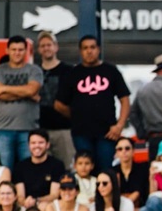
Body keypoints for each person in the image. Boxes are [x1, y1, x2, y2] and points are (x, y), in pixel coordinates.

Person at [54, 35, 131, 171]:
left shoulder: (111, 71)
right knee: (85, 171)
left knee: (106, 170)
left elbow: (125, 99)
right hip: (81, 133)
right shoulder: (73, 74)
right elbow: (59, 105)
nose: (89, 51)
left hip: (107, 132)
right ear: (80, 51)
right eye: (85, 48)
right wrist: (77, 116)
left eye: (92, 47)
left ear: (98, 49)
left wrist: (119, 125)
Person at [0, 35, 43, 172]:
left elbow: (32, 90)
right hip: (3, 129)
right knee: (3, 170)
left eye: (20, 50)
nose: (17, 53)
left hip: (28, 129)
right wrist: (26, 92)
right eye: (13, 49)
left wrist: (5, 88)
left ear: (26, 51)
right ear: (7, 50)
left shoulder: (34, 70)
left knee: (28, 171)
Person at [37, 31, 75, 170]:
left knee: (67, 168)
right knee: (43, 171)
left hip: (63, 129)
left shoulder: (68, 70)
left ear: (56, 47)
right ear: (39, 49)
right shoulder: (34, 72)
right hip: (40, 129)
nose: (46, 48)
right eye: (43, 45)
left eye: (49, 44)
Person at [13, 129, 66, 211]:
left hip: (48, 206)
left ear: (47, 145)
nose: (37, 146)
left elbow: (54, 195)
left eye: (41, 143)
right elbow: (20, 196)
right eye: (33, 143)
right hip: (26, 206)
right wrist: (25, 202)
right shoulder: (20, 166)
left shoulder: (57, 165)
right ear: (28, 145)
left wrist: (37, 200)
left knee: (43, 206)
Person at [113, 137, 148, 210]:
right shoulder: (112, 171)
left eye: (127, 148)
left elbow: (138, 192)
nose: (124, 151)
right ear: (116, 153)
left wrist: (125, 206)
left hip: (139, 207)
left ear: (133, 151)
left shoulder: (142, 169)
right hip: (118, 207)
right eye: (120, 149)